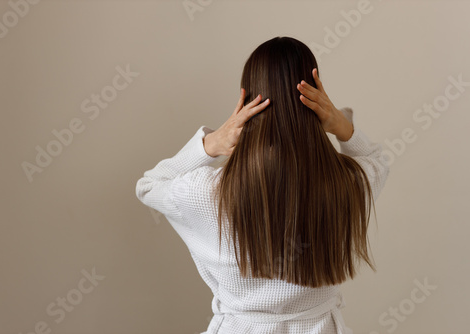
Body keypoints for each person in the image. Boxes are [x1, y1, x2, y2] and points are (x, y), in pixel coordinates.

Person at [136, 36, 390, 334]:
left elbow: (149, 185)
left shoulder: (206, 192)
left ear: (246, 103)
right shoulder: (348, 183)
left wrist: (211, 144)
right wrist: (340, 124)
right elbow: (377, 161)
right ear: (316, 100)